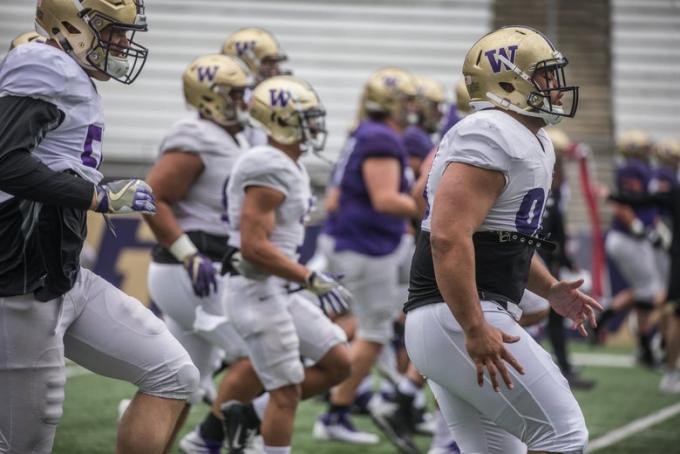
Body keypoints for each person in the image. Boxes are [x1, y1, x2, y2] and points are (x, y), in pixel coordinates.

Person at [0, 1, 200, 453]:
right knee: (26, 444)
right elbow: (5, 162)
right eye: (112, 31)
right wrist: (97, 196)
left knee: (173, 373)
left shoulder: (70, 74)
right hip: (21, 280)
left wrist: (96, 186)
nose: (123, 43)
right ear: (71, 26)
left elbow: (47, 164)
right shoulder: (45, 63)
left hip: (63, 275)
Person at [404, 26, 601, 453]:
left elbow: (499, 237)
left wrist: (550, 290)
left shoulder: (532, 139)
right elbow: (448, 237)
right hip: (456, 314)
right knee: (564, 434)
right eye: (545, 75)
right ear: (509, 81)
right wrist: (474, 326)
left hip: (456, 315)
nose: (556, 85)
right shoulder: (490, 132)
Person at [133, 54, 259, 451]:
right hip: (192, 268)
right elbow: (153, 197)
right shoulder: (195, 134)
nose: (243, 100)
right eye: (235, 93)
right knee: (260, 352)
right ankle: (208, 440)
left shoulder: (231, 135)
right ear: (208, 96)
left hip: (204, 268)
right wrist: (187, 253)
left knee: (179, 383)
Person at [223, 75, 351, 454]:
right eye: (306, 117)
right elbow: (253, 247)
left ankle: (247, 414)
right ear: (280, 119)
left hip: (279, 286)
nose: (314, 125)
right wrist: (308, 276)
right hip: (256, 289)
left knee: (339, 361)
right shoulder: (269, 165)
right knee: (287, 391)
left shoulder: (286, 163)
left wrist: (300, 278)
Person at [314, 67, 421, 452]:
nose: (413, 108)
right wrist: (426, 207)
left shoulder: (366, 131)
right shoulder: (380, 137)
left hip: (354, 241)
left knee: (351, 324)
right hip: (367, 246)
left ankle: (335, 398)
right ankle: (335, 409)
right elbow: (386, 199)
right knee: (374, 333)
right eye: (407, 100)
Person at [609, 138, 680, 393]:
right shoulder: (646, 172)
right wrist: (644, 229)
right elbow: (640, 202)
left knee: (653, 294)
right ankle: (649, 342)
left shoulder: (655, 174)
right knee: (655, 294)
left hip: (652, 240)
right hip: (642, 240)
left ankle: (650, 343)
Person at [601, 130, 665, 366]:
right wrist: (639, 227)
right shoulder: (632, 169)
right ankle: (645, 347)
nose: (649, 152)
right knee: (650, 292)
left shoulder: (641, 169)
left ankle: (607, 312)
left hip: (632, 238)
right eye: (644, 148)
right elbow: (625, 203)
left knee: (646, 290)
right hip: (630, 237)